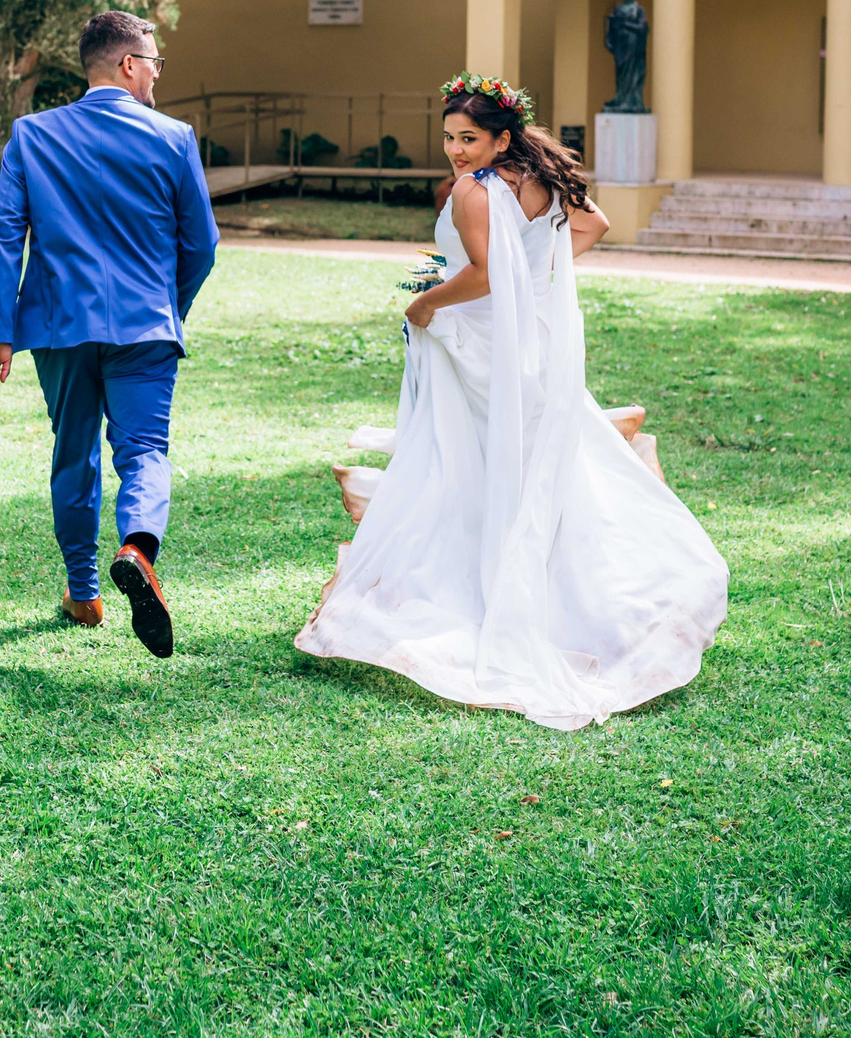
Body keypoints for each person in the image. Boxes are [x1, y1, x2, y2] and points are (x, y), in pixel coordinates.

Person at [295, 72, 729, 728]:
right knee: (536, 467)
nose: (456, 151)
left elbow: (484, 274)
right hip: (530, 349)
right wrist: (536, 281)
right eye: (448, 138)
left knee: (465, 466)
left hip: (478, 346)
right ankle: (574, 598)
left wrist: (423, 304)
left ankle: (482, 594)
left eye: (469, 138)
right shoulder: (542, 180)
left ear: (502, 137)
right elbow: (594, 227)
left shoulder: (474, 191)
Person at [0, 11, 219, 657]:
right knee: (144, 451)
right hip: (145, 323)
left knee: (74, 453)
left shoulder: (31, 135)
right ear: (128, 65)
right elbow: (202, 244)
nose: (158, 74)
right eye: (156, 62)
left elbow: (5, 236)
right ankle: (137, 548)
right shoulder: (173, 137)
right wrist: (170, 307)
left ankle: (84, 592)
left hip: (58, 325)